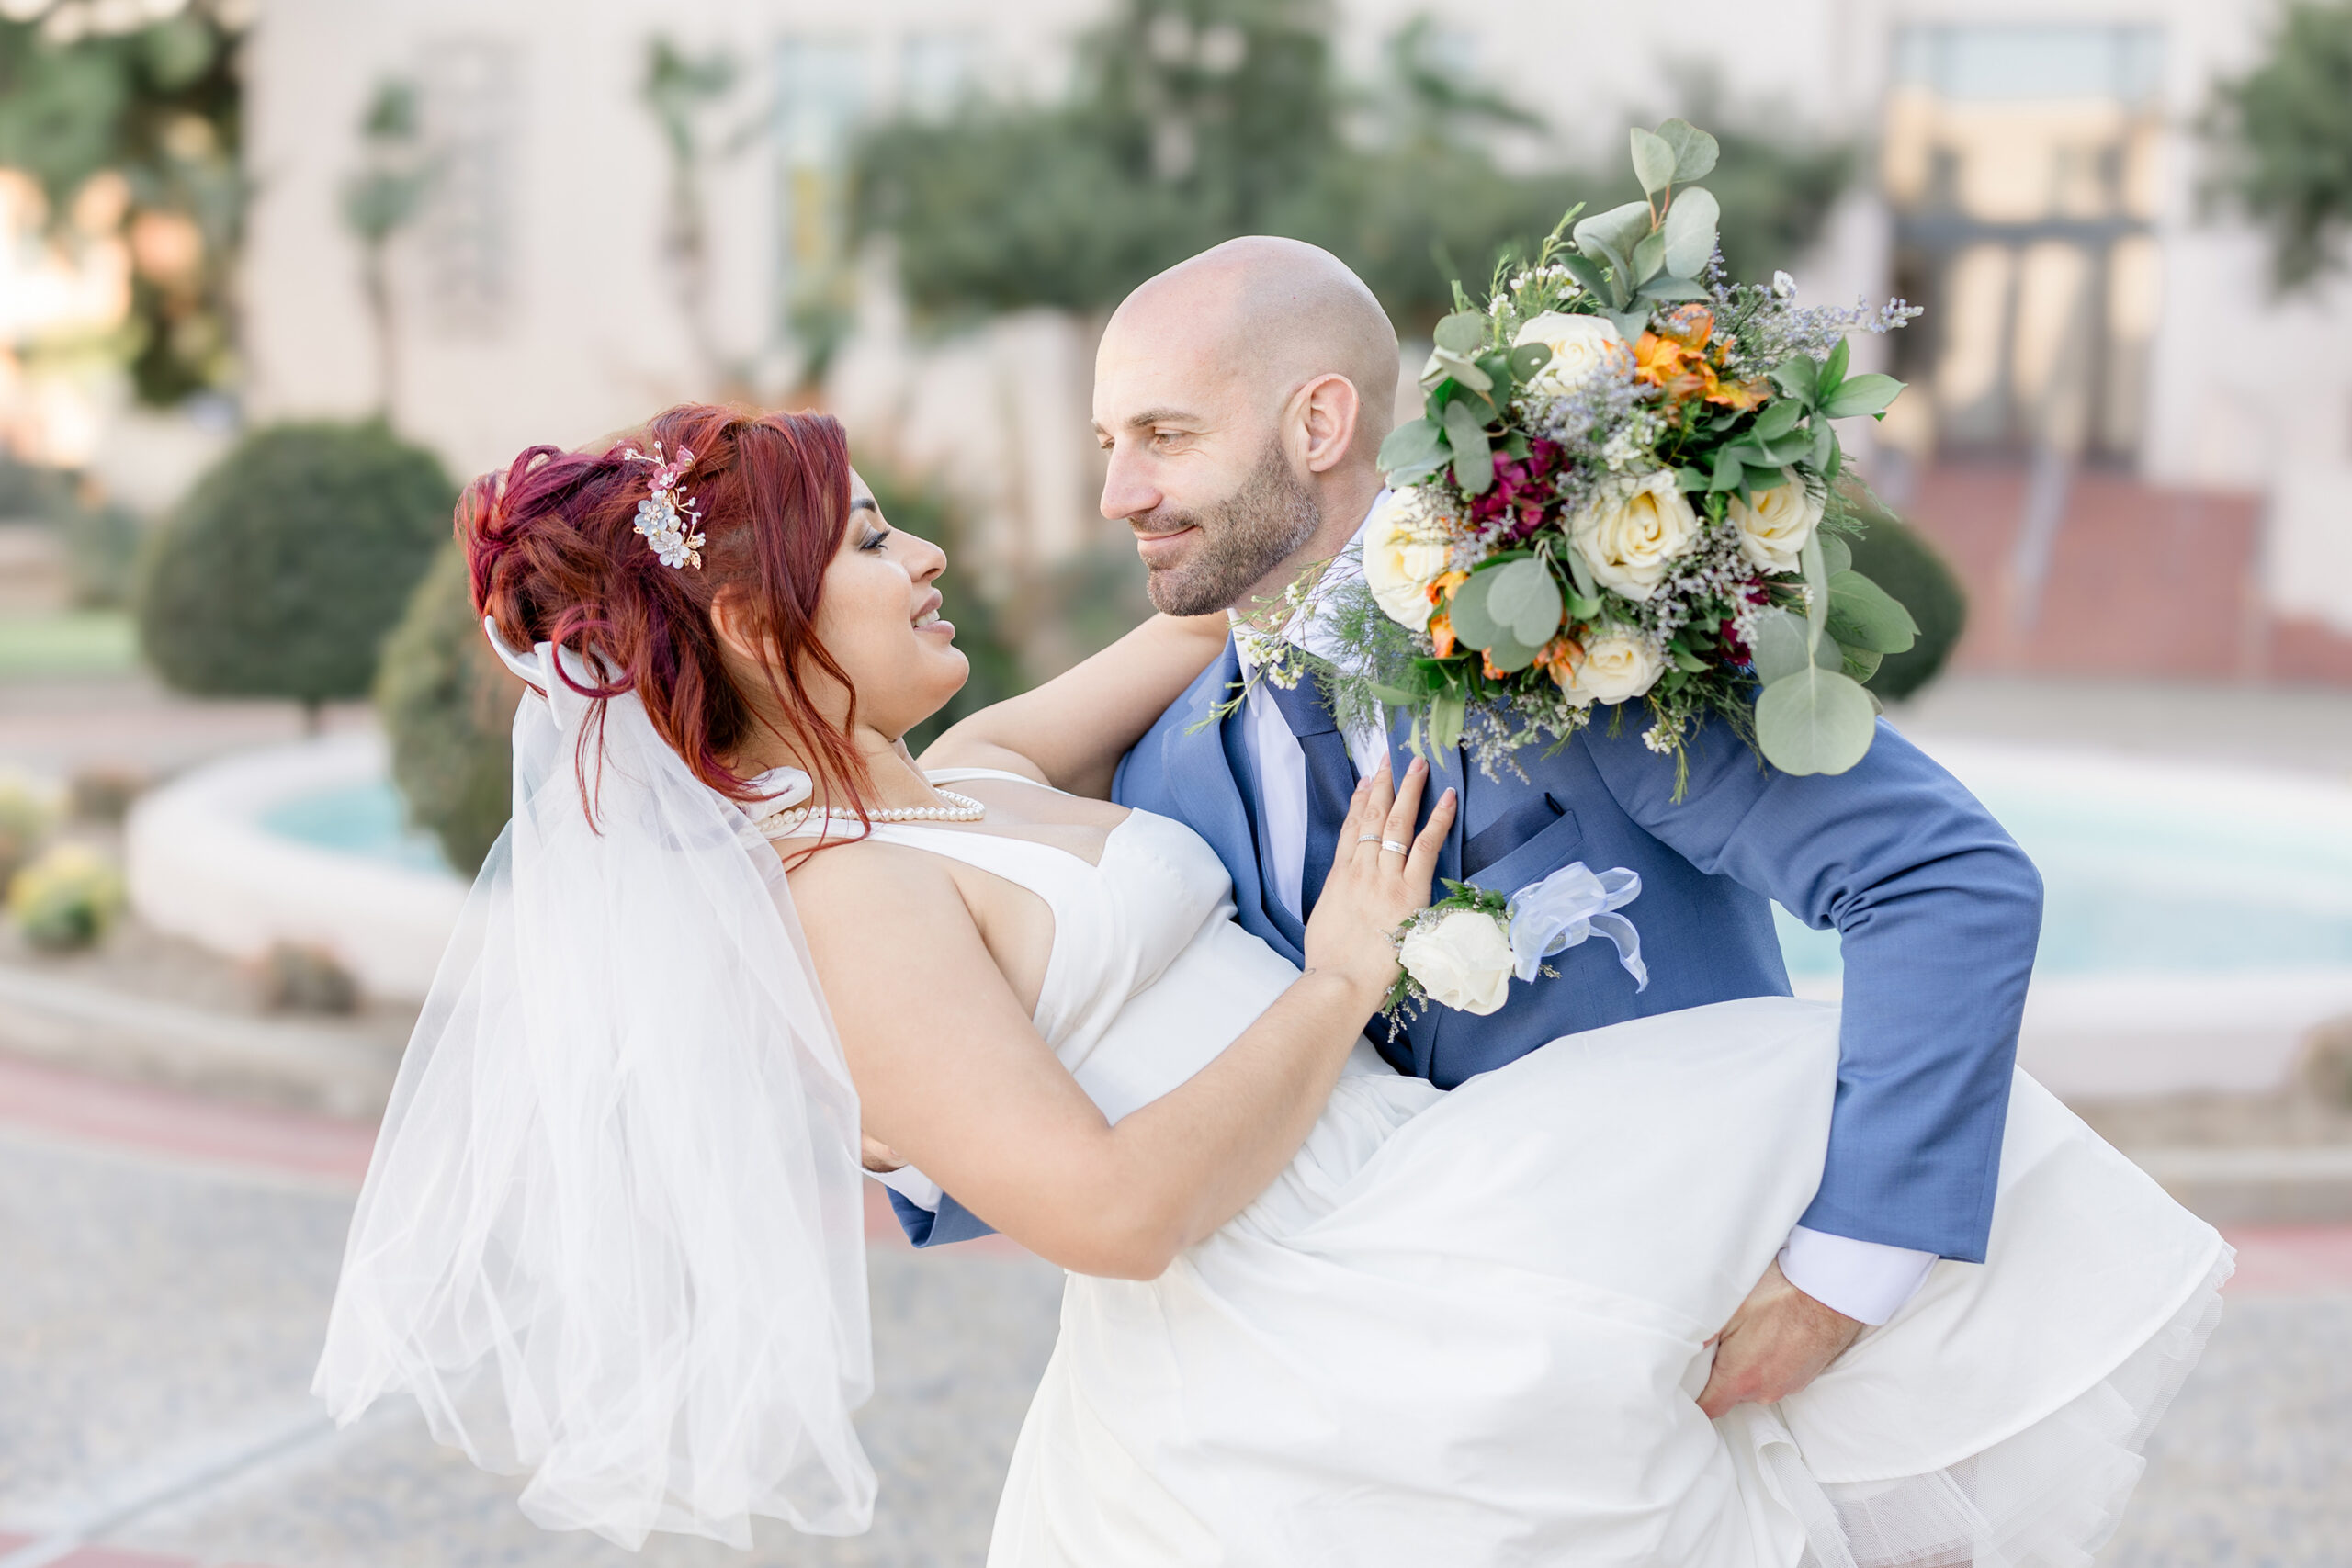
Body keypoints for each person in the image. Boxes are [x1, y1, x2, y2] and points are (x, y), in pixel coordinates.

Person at [314, 402, 2226, 1567]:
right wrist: (1331, 982)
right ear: (752, 619)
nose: (933, 551)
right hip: (1308, 1300)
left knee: (1845, 1175)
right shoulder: (846, 902)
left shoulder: (967, 776)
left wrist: (1497, 483)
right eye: (875, 537)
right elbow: (1111, 1212)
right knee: (1788, 1185)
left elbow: (1229, 610)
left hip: (1423, 1177)